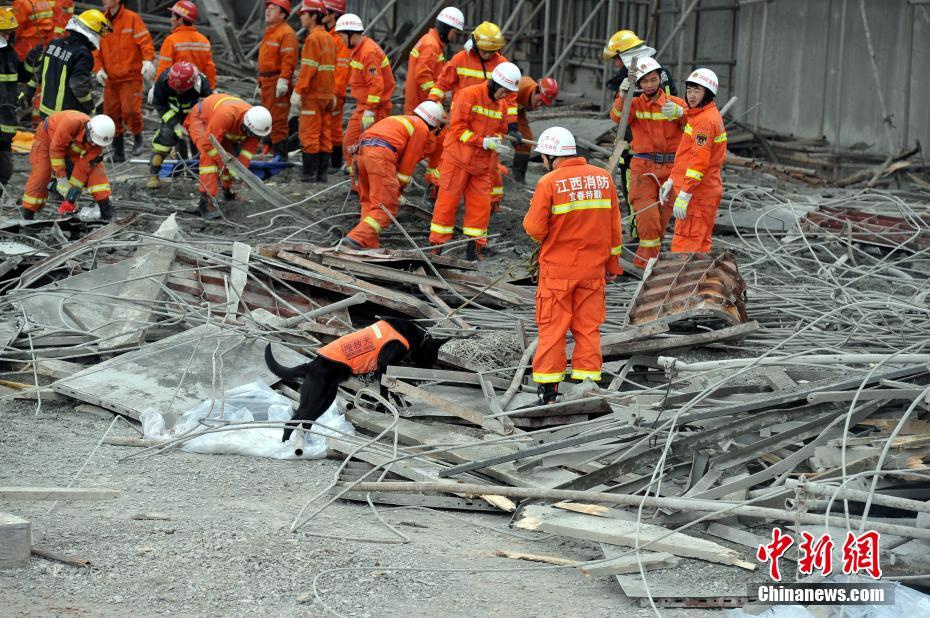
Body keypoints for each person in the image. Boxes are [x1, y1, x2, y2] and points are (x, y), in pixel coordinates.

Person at [522, 126, 622, 405]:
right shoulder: (603, 179)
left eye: (543, 157)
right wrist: (612, 266)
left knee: (552, 331)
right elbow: (614, 229)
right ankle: (585, 389)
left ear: (550, 156)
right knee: (588, 329)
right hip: (593, 272)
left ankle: (549, 396)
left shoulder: (549, 183)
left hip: (558, 273)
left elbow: (534, 229)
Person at [428, 62, 520, 261]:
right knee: (447, 204)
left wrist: (497, 141)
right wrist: (483, 141)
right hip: (458, 160)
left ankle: (475, 249)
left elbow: (501, 129)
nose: (506, 96)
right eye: (504, 91)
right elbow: (457, 128)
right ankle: (437, 245)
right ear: (494, 84)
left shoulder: (501, 105)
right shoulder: (468, 94)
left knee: (480, 208)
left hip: (481, 165)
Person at [428, 20, 515, 207]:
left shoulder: (502, 64)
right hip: (462, 121)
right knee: (450, 159)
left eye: (492, 52)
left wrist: (512, 124)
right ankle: (436, 189)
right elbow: (443, 83)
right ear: (475, 45)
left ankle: (492, 202)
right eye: (485, 51)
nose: (488, 55)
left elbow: (510, 98)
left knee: (490, 165)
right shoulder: (460, 59)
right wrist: (432, 103)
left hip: (489, 123)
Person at [342, 101, 444, 249]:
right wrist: (398, 190)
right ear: (433, 123)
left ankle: (368, 244)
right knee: (386, 207)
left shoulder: (398, 120)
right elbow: (407, 165)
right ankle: (356, 239)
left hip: (360, 154)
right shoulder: (421, 128)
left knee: (371, 204)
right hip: (379, 156)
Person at [619, 56, 687, 267]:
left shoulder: (675, 104)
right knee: (648, 220)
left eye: (653, 79)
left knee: (661, 221)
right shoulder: (634, 103)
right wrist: (622, 96)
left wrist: (683, 114)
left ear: (660, 79)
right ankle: (645, 266)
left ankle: (651, 265)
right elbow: (617, 117)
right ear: (638, 83)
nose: (649, 85)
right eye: (644, 81)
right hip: (643, 169)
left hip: (671, 171)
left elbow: (697, 127)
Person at [660, 68, 727, 254]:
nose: (691, 95)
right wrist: (672, 180)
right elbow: (686, 157)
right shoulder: (699, 116)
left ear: (708, 94)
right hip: (701, 194)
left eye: (697, 91)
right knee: (699, 249)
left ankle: (688, 284)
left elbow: (698, 163)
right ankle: (698, 283)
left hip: (697, 196)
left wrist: (685, 194)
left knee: (686, 248)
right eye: (689, 90)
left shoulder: (704, 122)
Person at [183, 94, 272, 219]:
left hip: (221, 126)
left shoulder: (257, 125)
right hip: (201, 119)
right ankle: (206, 200)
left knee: (229, 158)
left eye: (253, 134)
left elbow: (246, 154)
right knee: (209, 158)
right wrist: (225, 163)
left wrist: (238, 172)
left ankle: (228, 192)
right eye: (249, 133)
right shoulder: (226, 115)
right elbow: (208, 145)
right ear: (245, 124)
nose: (250, 136)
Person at [335, 12, 394, 188]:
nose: (340, 39)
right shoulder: (360, 50)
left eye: (341, 35)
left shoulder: (368, 52)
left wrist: (370, 109)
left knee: (365, 147)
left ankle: (366, 186)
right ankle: (359, 185)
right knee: (353, 145)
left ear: (350, 34)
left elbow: (376, 85)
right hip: (367, 106)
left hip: (374, 108)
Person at [21, 110, 115, 220]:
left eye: (97, 144)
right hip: (47, 138)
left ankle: (105, 212)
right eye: (93, 141)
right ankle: (28, 214)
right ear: (89, 130)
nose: (93, 145)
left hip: (70, 147)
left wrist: (72, 192)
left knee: (96, 171)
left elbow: (84, 166)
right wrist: (62, 179)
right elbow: (56, 149)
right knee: (41, 175)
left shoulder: (98, 143)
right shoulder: (71, 123)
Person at [94, 0, 155, 161]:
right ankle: (118, 152)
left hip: (131, 76)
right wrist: (98, 68)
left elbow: (145, 41)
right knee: (111, 115)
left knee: (130, 111)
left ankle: (137, 137)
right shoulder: (102, 21)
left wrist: (147, 60)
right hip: (111, 79)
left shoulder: (132, 18)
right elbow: (96, 47)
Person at [23, 9, 109, 119]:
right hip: (66, 117)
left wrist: (27, 92)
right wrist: (90, 107)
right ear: (92, 32)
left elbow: (39, 74)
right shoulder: (83, 54)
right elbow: (79, 87)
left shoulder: (55, 44)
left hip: (45, 112)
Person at [146, 61, 211, 189]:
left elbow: (209, 105)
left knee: (201, 144)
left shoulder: (202, 84)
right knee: (163, 142)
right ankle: (153, 175)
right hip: (172, 113)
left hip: (195, 116)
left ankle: (202, 176)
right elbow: (159, 104)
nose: (178, 92)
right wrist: (175, 124)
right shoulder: (164, 80)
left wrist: (198, 122)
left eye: (181, 90)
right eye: (175, 89)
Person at [293, 0, 335, 181]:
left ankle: (309, 174)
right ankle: (322, 175)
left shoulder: (312, 39)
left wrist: (298, 91)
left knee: (309, 133)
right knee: (325, 133)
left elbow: (308, 69)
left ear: (313, 16)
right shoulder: (329, 38)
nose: (301, 17)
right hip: (326, 94)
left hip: (313, 94)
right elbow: (332, 68)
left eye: (304, 14)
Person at [403, 6, 463, 114]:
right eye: (455, 32)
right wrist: (434, 98)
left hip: (420, 103)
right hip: (421, 104)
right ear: (446, 28)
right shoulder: (431, 45)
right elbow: (422, 74)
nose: (454, 37)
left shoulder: (429, 41)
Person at [258, 0, 298, 160]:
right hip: (267, 82)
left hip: (276, 82)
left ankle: (280, 157)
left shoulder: (286, 33)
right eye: (267, 7)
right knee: (267, 119)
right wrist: (260, 82)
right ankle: (271, 152)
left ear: (282, 14)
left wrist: (283, 80)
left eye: (272, 8)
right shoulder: (270, 32)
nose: (267, 10)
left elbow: (289, 59)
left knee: (278, 120)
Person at [154, 1, 216, 89]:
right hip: (197, 91)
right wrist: (210, 89)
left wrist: (157, 89)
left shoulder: (171, 40)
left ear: (181, 19)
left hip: (177, 90)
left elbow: (164, 69)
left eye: (173, 16)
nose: (171, 19)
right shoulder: (204, 41)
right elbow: (210, 69)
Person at [512, 75, 558, 183]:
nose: (540, 105)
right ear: (536, 91)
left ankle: (518, 178)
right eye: (540, 101)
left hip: (517, 112)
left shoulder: (530, 95)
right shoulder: (519, 88)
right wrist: (511, 128)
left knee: (526, 140)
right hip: (498, 109)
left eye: (543, 104)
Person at [0, 8, 28, 185]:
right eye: (5, 32)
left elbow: (23, 75)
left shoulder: (9, 53)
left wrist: (32, 64)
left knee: (5, 169)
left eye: (10, 32)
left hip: (6, 119)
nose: (8, 36)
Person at [321, 0, 349, 171]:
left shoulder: (339, 39)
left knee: (334, 127)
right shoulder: (330, 36)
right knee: (327, 126)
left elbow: (342, 69)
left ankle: (336, 161)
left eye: (324, 12)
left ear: (332, 15)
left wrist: (335, 93)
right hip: (327, 90)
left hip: (334, 92)